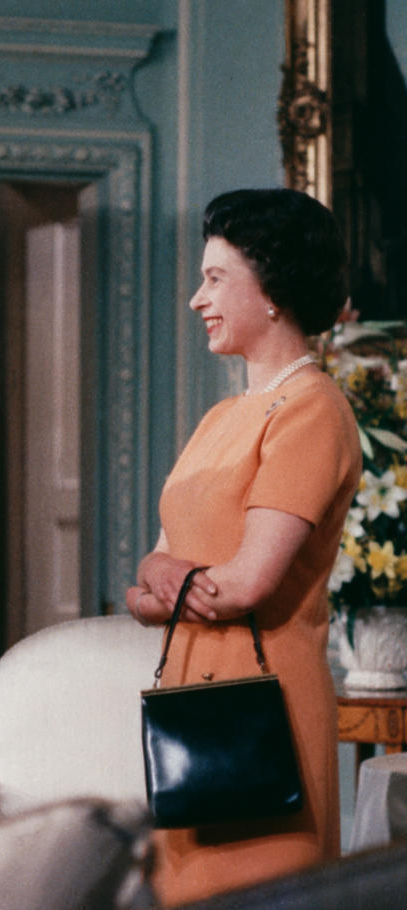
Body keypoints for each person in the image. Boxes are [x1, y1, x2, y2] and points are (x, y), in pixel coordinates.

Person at [126, 188, 361, 905]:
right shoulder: (223, 415)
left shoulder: (314, 410)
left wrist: (164, 576)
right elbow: (144, 588)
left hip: (263, 723)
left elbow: (247, 586)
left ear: (275, 292)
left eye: (216, 278)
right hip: (188, 724)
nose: (198, 298)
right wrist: (161, 575)